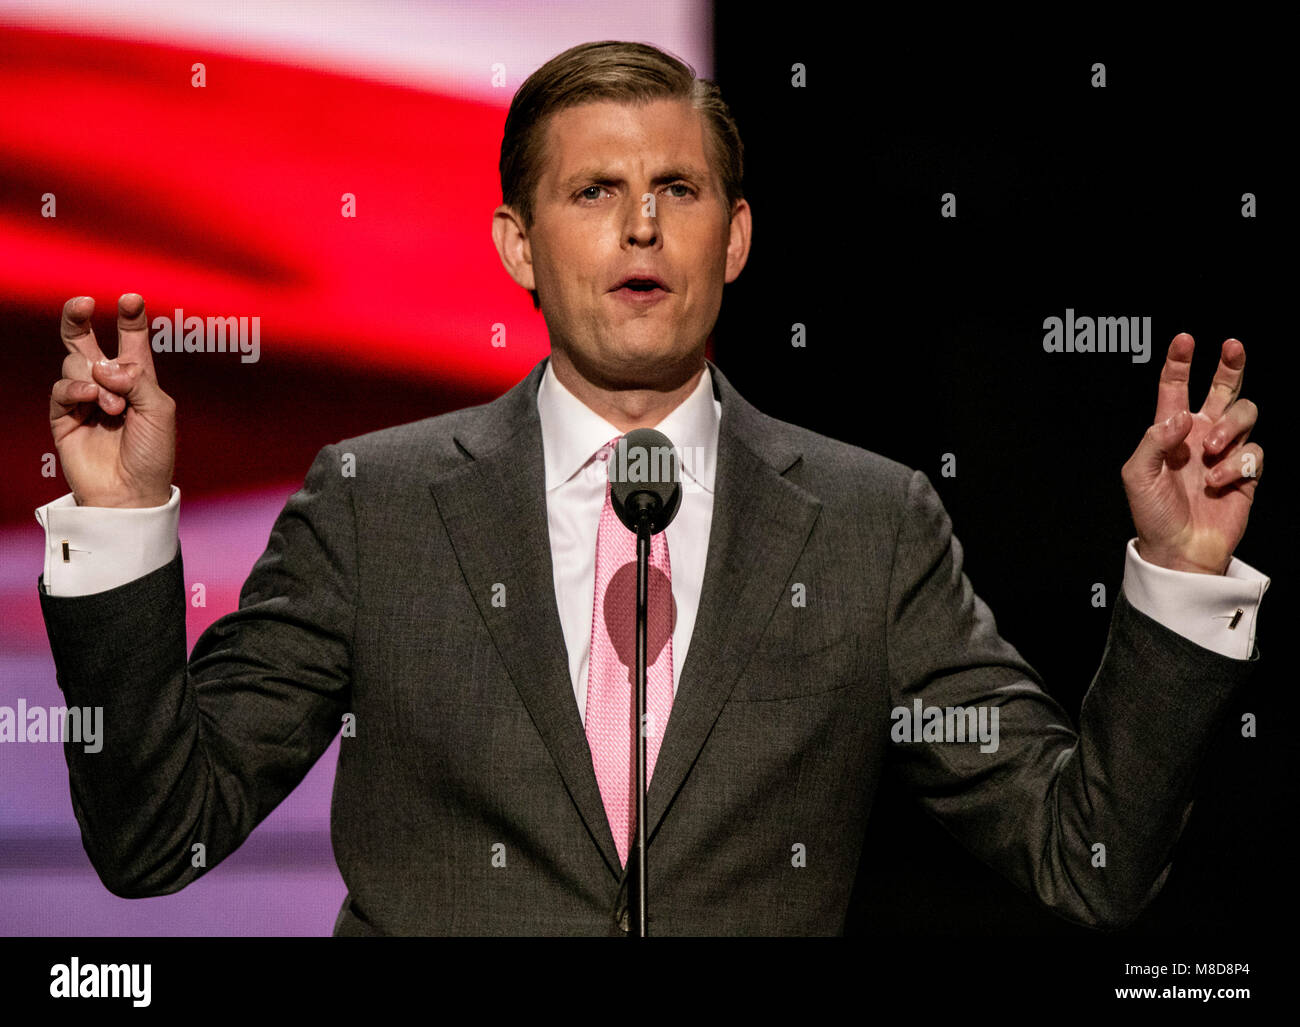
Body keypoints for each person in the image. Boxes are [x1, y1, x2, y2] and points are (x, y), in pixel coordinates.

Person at [36, 41, 1268, 936]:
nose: (639, 227)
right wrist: (121, 524)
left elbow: (1087, 859)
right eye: (592, 192)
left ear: (732, 238)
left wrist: (1178, 581)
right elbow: (156, 841)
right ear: (518, 244)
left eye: (676, 191)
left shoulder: (867, 523)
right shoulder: (377, 502)